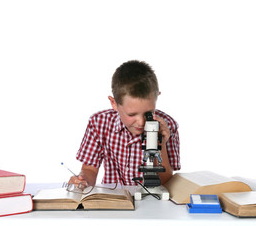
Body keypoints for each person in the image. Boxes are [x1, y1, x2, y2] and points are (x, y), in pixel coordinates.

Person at [68, 60, 181, 188]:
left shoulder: (167, 126)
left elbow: (166, 181)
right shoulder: (98, 123)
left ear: (157, 98)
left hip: (151, 202)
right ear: (114, 103)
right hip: (114, 202)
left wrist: (161, 144)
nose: (141, 122)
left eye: (148, 113)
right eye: (132, 114)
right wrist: (83, 180)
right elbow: (90, 169)